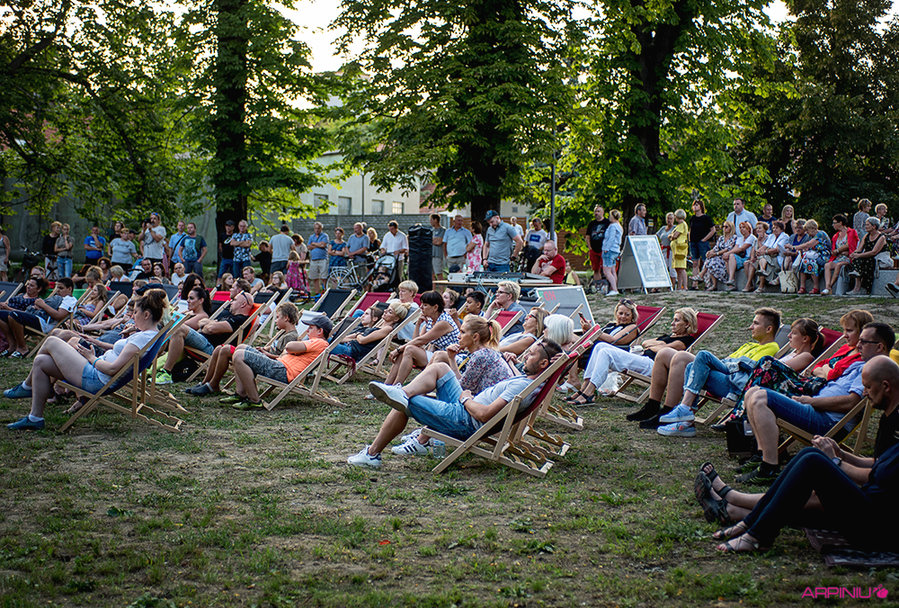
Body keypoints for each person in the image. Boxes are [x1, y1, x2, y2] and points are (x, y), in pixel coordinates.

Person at [710, 356, 899, 553]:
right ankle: (751, 522)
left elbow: (877, 476)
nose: (865, 393)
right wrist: (842, 454)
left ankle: (757, 535)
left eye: (868, 387)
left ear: (886, 386)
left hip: (880, 526)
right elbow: (878, 463)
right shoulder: (889, 418)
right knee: (810, 454)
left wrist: (835, 461)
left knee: (813, 461)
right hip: (869, 505)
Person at [348, 340, 563, 468]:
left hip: (465, 420)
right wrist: (559, 364)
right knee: (440, 367)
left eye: (531, 355)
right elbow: (529, 376)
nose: (525, 356)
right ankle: (402, 392)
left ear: (543, 363)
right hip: (465, 410)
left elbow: (485, 415)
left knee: (406, 403)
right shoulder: (532, 382)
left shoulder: (521, 387)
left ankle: (372, 454)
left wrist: (466, 399)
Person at [740, 322, 894, 484]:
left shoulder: (873, 372)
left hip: (827, 421)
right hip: (814, 408)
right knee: (753, 392)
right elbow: (825, 373)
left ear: (879, 347)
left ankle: (769, 467)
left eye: (864, 341)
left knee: (760, 397)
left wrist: (811, 401)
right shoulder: (858, 364)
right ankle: (762, 455)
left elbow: (850, 403)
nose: (858, 345)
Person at [5, 289, 170, 430]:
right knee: (41, 361)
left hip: (96, 378)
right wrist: (100, 342)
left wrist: (91, 358)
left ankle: (28, 386)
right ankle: (35, 418)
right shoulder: (149, 335)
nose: (133, 316)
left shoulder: (141, 338)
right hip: (96, 372)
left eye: (135, 313)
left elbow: (113, 369)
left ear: (146, 315)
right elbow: (122, 353)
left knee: (52, 341)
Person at [656, 316, 821, 439]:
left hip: (743, 387)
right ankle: (686, 421)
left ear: (805, 338)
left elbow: (772, 370)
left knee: (703, 356)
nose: (789, 336)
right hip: (741, 379)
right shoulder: (791, 353)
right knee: (692, 366)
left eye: (794, 333)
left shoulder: (806, 357)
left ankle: (685, 412)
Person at [636, 308, 781, 429]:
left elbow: (746, 369)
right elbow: (730, 362)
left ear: (769, 329)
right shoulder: (749, 345)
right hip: (724, 376)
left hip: (734, 385)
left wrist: (718, 362)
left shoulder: (772, 347)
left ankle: (675, 411)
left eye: (755, 323)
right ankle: (664, 410)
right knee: (682, 361)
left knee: (696, 356)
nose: (750, 327)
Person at [393, 315, 513, 456]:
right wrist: (451, 358)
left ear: (475, 337)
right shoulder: (487, 353)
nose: (458, 336)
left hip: (479, 416)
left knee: (439, 374)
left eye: (462, 332)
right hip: (489, 412)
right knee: (441, 370)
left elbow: (461, 390)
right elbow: (463, 386)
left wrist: (448, 367)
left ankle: (421, 438)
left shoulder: (480, 356)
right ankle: (423, 434)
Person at [575, 309, 698, 409]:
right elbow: (645, 343)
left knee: (606, 352)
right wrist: (658, 345)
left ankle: (589, 393)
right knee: (600, 346)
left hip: (654, 366)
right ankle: (584, 387)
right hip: (643, 358)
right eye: (673, 320)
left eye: (677, 320)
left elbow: (663, 351)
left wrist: (658, 345)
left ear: (687, 324)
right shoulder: (669, 337)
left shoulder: (685, 341)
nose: (672, 323)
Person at [185, 301, 300, 397]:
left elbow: (284, 359)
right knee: (219, 348)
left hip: (270, 363)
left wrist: (265, 353)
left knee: (225, 350)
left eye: (278, 317)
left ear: (286, 318)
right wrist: (264, 348)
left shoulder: (291, 337)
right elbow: (276, 348)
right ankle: (206, 383)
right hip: (265, 358)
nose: (275, 320)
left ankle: (213, 385)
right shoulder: (284, 334)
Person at [154, 279, 256, 385]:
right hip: (203, 340)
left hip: (211, 348)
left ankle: (166, 372)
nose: (231, 302)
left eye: (234, 300)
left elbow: (210, 328)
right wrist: (209, 324)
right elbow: (202, 323)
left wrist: (209, 324)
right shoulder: (229, 316)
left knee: (180, 329)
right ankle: (152, 363)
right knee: (174, 328)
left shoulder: (240, 319)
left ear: (243, 304)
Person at [225, 315, 332, 409]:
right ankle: (240, 393)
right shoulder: (316, 343)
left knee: (239, 355)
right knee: (241, 347)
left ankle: (254, 401)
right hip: (280, 366)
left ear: (320, 331)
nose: (307, 330)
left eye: (311, 328)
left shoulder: (319, 342)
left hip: (284, 372)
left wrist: (291, 348)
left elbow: (289, 346)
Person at [565, 300, 642, 406]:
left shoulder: (632, 327)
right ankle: (578, 386)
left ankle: (573, 380)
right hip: (594, 348)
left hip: (607, 354)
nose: (623, 317)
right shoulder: (611, 325)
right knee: (567, 337)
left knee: (571, 344)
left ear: (632, 315)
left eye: (627, 314)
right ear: (616, 313)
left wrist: (592, 330)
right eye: (620, 313)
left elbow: (614, 340)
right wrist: (587, 330)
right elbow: (597, 336)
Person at [384, 290, 460, 386]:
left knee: (409, 349)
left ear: (435, 307)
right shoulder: (431, 321)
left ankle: (396, 386)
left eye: (425, 305)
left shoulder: (444, 322)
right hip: (436, 355)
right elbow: (416, 341)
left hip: (451, 359)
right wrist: (418, 324)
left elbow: (421, 341)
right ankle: (387, 385)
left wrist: (398, 349)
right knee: (406, 350)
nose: (421, 307)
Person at [0, 277, 79, 357]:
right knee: (1, 315)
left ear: (69, 289)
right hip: (36, 315)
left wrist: (43, 305)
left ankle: (22, 348)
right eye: (57, 287)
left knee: (15, 315)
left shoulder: (69, 300)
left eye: (61, 288)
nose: (57, 290)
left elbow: (59, 316)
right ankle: (12, 345)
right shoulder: (57, 297)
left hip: (44, 323)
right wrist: (38, 306)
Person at [331, 302, 410, 362]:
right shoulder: (378, 326)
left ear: (396, 319)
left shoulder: (387, 329)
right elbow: (354, 337)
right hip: (348, 346)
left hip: (351, 352)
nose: (385, 311)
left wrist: (357, 335)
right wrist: (336, 339)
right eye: (387, 309)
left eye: (390, 312)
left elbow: (362, 340)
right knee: (326, 339)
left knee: (325, 343)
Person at [0, 277, 46, 356]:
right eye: (28, 284)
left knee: (13, 315)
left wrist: (8, 308)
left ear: (39, 289)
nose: (28, 287)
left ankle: (22, 347)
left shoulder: (36, 301)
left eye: (31, 285)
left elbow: (27, 314)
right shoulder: (20, 295)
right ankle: (11, 345)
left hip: (18, 319)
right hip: (8, 314)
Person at [746, 220, 789, 292]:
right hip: (769, 257)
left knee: (763, 259)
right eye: (773, 228)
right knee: (758, 260)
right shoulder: (772, 236)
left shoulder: (784, 236)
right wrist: (759, 251)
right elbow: (765, 246)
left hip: (778, 258)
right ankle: (762, 271)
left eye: (776, 228)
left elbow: (777, 249)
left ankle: (761, 285)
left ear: (781, 229)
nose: (774, 229)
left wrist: (765, 252)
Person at [847, 216, 886, 295]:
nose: (865, 226)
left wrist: (859, 255)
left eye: (867, 225)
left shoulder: (881, 237)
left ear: (874, 226)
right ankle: (856, 285)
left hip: (876, 257)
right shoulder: (866, 236)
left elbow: (874, 252)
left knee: (866, 260)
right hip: (866, 255)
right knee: (857, 257)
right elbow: (859, 249)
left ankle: (860, 288)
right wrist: (854, 253)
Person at [821, 215, 858, 295]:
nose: (833, 225)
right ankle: (827, 286)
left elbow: (850, 245)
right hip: (838, 257)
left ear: (840, 223)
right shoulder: (835, 236)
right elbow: (834, 249)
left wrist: (838, 250)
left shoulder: (851, 232)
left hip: (848, 258)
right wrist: (835, 252)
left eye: (834, 223)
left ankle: (829, 287)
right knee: (827, 265)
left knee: (838, 265)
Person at [796, 219, 831, 294]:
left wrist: (794, 247)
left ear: (813, 228)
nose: (806, 232)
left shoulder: (820, 234)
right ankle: (802, 287)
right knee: (803, 262)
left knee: (811, 262)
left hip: (824, 256)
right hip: (815, 255)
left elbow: (809, 244)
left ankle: (816, 287)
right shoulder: (811, 236)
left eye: (807, 230)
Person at [701, 221, 736, 291]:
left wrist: (716, 254)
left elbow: (728, 248)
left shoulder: (734, 237)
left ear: (731, 228)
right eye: (723, 226)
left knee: (711, 261)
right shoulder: (721, 238)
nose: (724, 228)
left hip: (726, 257)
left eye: (726, 227)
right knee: (710, 259)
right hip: (718, 257)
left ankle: (701, 275)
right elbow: (716, 248)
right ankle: (713, 284)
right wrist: (710, 252)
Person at [688, 200, 716, 283]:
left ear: (701, 206)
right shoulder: (692, 218)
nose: (695, 207)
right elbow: (691, 229)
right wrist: (689, 239)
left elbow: (713, 230)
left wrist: (704, 239)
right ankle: (695, 283)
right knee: (695, 262)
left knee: (705, 261)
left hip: (702, 242)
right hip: (693, 242)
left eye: (697, 205)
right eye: (694, 205)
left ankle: (707, 282)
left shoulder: (706, 218)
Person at [723, 221, 755, 290]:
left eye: (744, 227)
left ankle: (733, 281)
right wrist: (728, 254)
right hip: (741, 257)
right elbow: (735, 248)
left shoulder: (751, 237)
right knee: (729, 257)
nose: (742, 229)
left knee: (730, 255)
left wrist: (728, 253)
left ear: (748, 228)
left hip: (748, 257)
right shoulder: (740, 238)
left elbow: (742, 248)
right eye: (740, 228)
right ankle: (731, 281)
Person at [586, 205, 610, 289]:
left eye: (598, 211)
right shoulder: (591, 224)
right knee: (596, 269)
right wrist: (590, 248)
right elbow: (588, 236)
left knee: (605, 269)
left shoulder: (607, 223)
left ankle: (606, 286)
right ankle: (597, 286)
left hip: (604, 249)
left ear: (603, 212)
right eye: (595, 211)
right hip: (594, 250)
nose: (596, 213)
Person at [601, 210, 623, 296]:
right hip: (616, 250)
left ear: (613, 216)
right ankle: (613, 288)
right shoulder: (619, 226)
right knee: (613, 270)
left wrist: (606, 248)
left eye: (610, 216)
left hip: (609, 250)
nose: (609, 217)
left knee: (607, 271)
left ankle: (614, 289)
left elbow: (611, 238)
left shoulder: (613, 226)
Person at [656, 212, 677, 286]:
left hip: (671, 251)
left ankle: (672, 286)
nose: (669, 220)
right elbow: (656, 236)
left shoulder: (675, 228)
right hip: (663, 250)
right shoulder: (663, 228)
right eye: (668, 218)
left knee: (672, 269)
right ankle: (658, 286)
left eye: (671, 218)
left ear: (673, 219)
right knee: (661, 268)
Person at [671, 209, 690, 290]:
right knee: (678, 269)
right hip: (676, 250)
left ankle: (685, 286)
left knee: (681, 268)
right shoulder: (679, 225)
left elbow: (675, 235)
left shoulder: (682, 224)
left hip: (680, 249)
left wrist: (671, 236)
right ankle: (679, 287)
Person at [429, 214, 446, 280]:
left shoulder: (442, 230)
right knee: (431, 275)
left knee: (439, 274)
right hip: (430, 255)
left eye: (431, 220)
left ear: (435, 220)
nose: (430, 222)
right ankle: (433, 287)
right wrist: (434, 240)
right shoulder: (431, 230)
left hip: (438, 255)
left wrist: (431, 240)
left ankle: (441, 287)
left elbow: (439, 242)